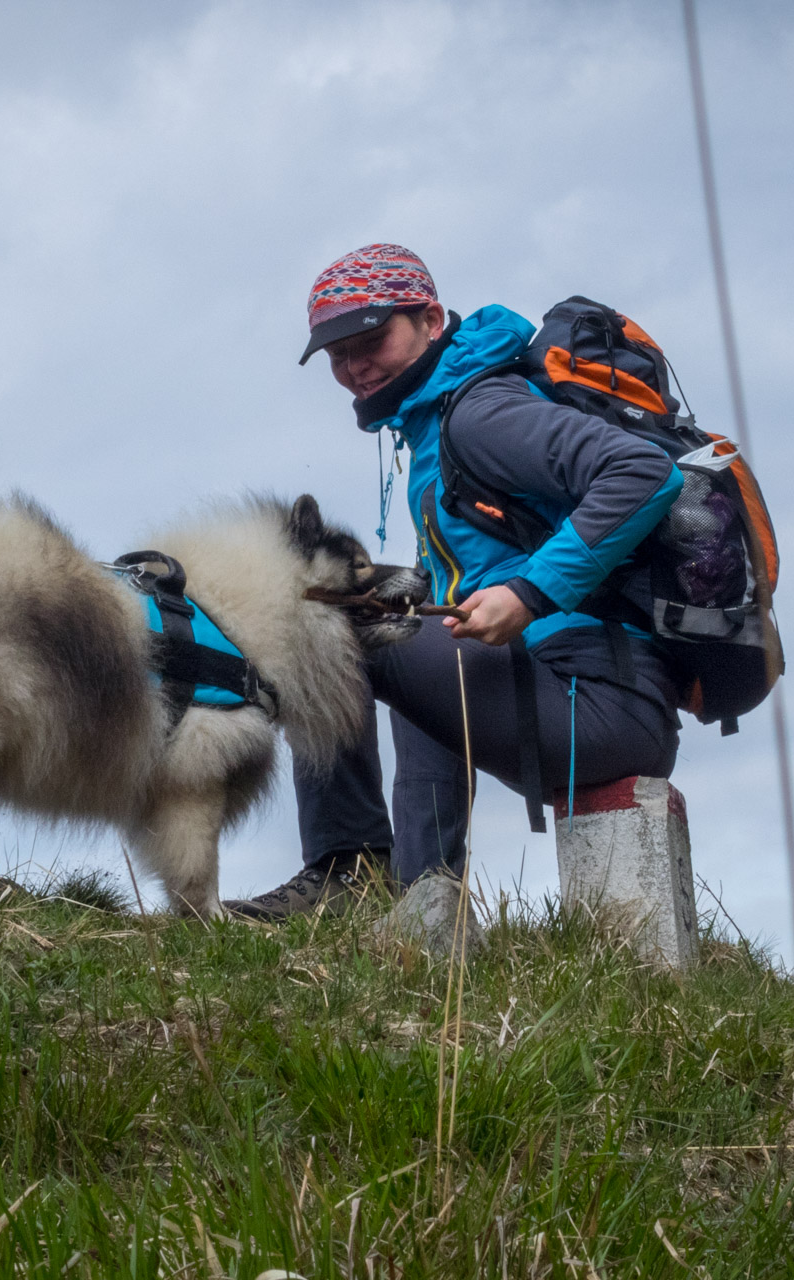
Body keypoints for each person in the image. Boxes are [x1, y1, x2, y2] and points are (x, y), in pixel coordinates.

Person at [225, 244, 686, 921]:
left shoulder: (480, 414)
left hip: (600, 701)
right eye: (336, 353)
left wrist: (530, 595)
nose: (354, 365)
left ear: (432, 320)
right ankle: (424, 894)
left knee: (325, 635)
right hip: (573, 692)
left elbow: (644, 473)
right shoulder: (436, 428)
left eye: (371, 338)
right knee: (407, 630)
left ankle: (346, 872)